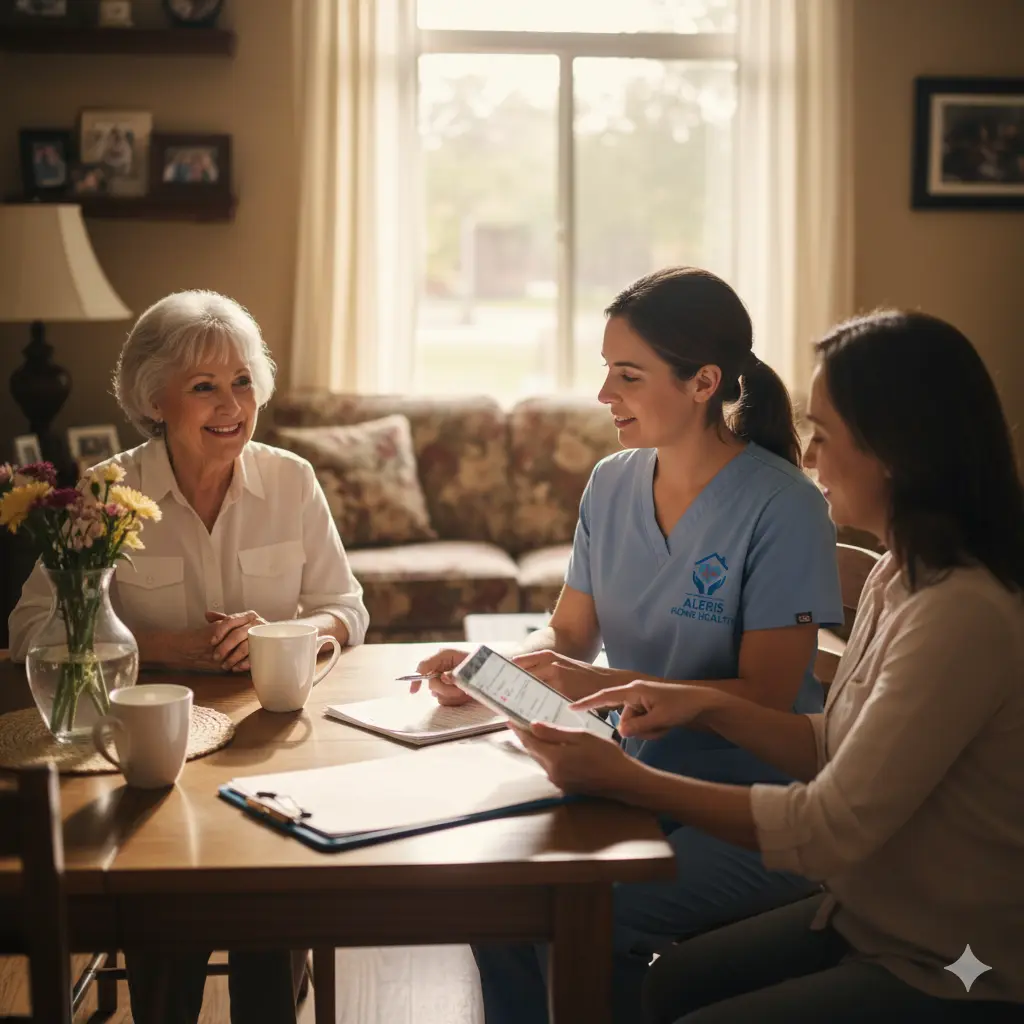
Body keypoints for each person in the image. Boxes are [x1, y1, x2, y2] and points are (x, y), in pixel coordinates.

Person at [512, 310, 1024, 1022]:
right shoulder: (897, 575)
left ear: (894, 452)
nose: (810, 457)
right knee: (668, 984)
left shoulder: (962, 613)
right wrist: (703, 704)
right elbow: (832, 744)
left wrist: (628, 775)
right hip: (864, 914)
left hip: (952, 965)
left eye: (827, 434)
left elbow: (827, 827)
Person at [415, 267, 843, 1023]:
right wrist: (497, 668)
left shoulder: (785, 506)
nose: (604, 394)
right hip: (625, 771)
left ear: (704, 381)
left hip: (751, 802)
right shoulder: (611, 482)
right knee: (489, 892)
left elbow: (771, 699)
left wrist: (592, 684)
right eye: (605, 370)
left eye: (628, 375)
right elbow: (570, 633)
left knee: (578, 912)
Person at [9, 289, 370, 1024]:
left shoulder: (291, 481)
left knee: (268, 915)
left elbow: (349, 611)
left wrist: (282, 633)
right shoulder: (108, 491)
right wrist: (168, 647)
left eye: (242, 382)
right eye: (203, 387)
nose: (231, 404)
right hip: (145, 757)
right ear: (155, 401)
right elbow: (30, 630)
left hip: (270, 750)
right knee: (163, 921)